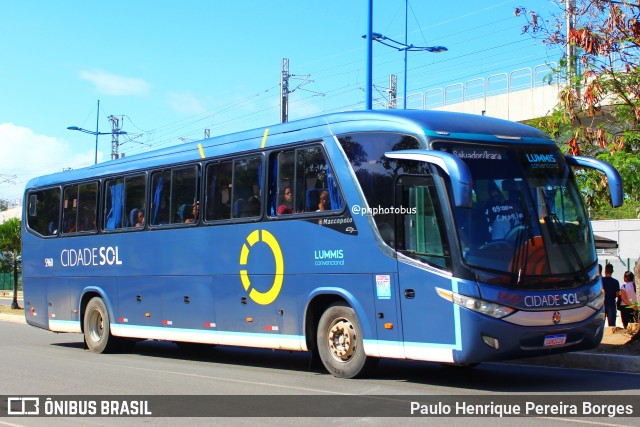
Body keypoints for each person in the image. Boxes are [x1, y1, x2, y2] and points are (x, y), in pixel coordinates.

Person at [602, 263, 620, 329]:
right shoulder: (615, 282)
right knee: (612, 324)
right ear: (612, 271)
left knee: (601, 323)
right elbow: (617, 294)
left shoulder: (601, 281)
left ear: (605, 271)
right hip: (612, 303)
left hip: (602, 303)